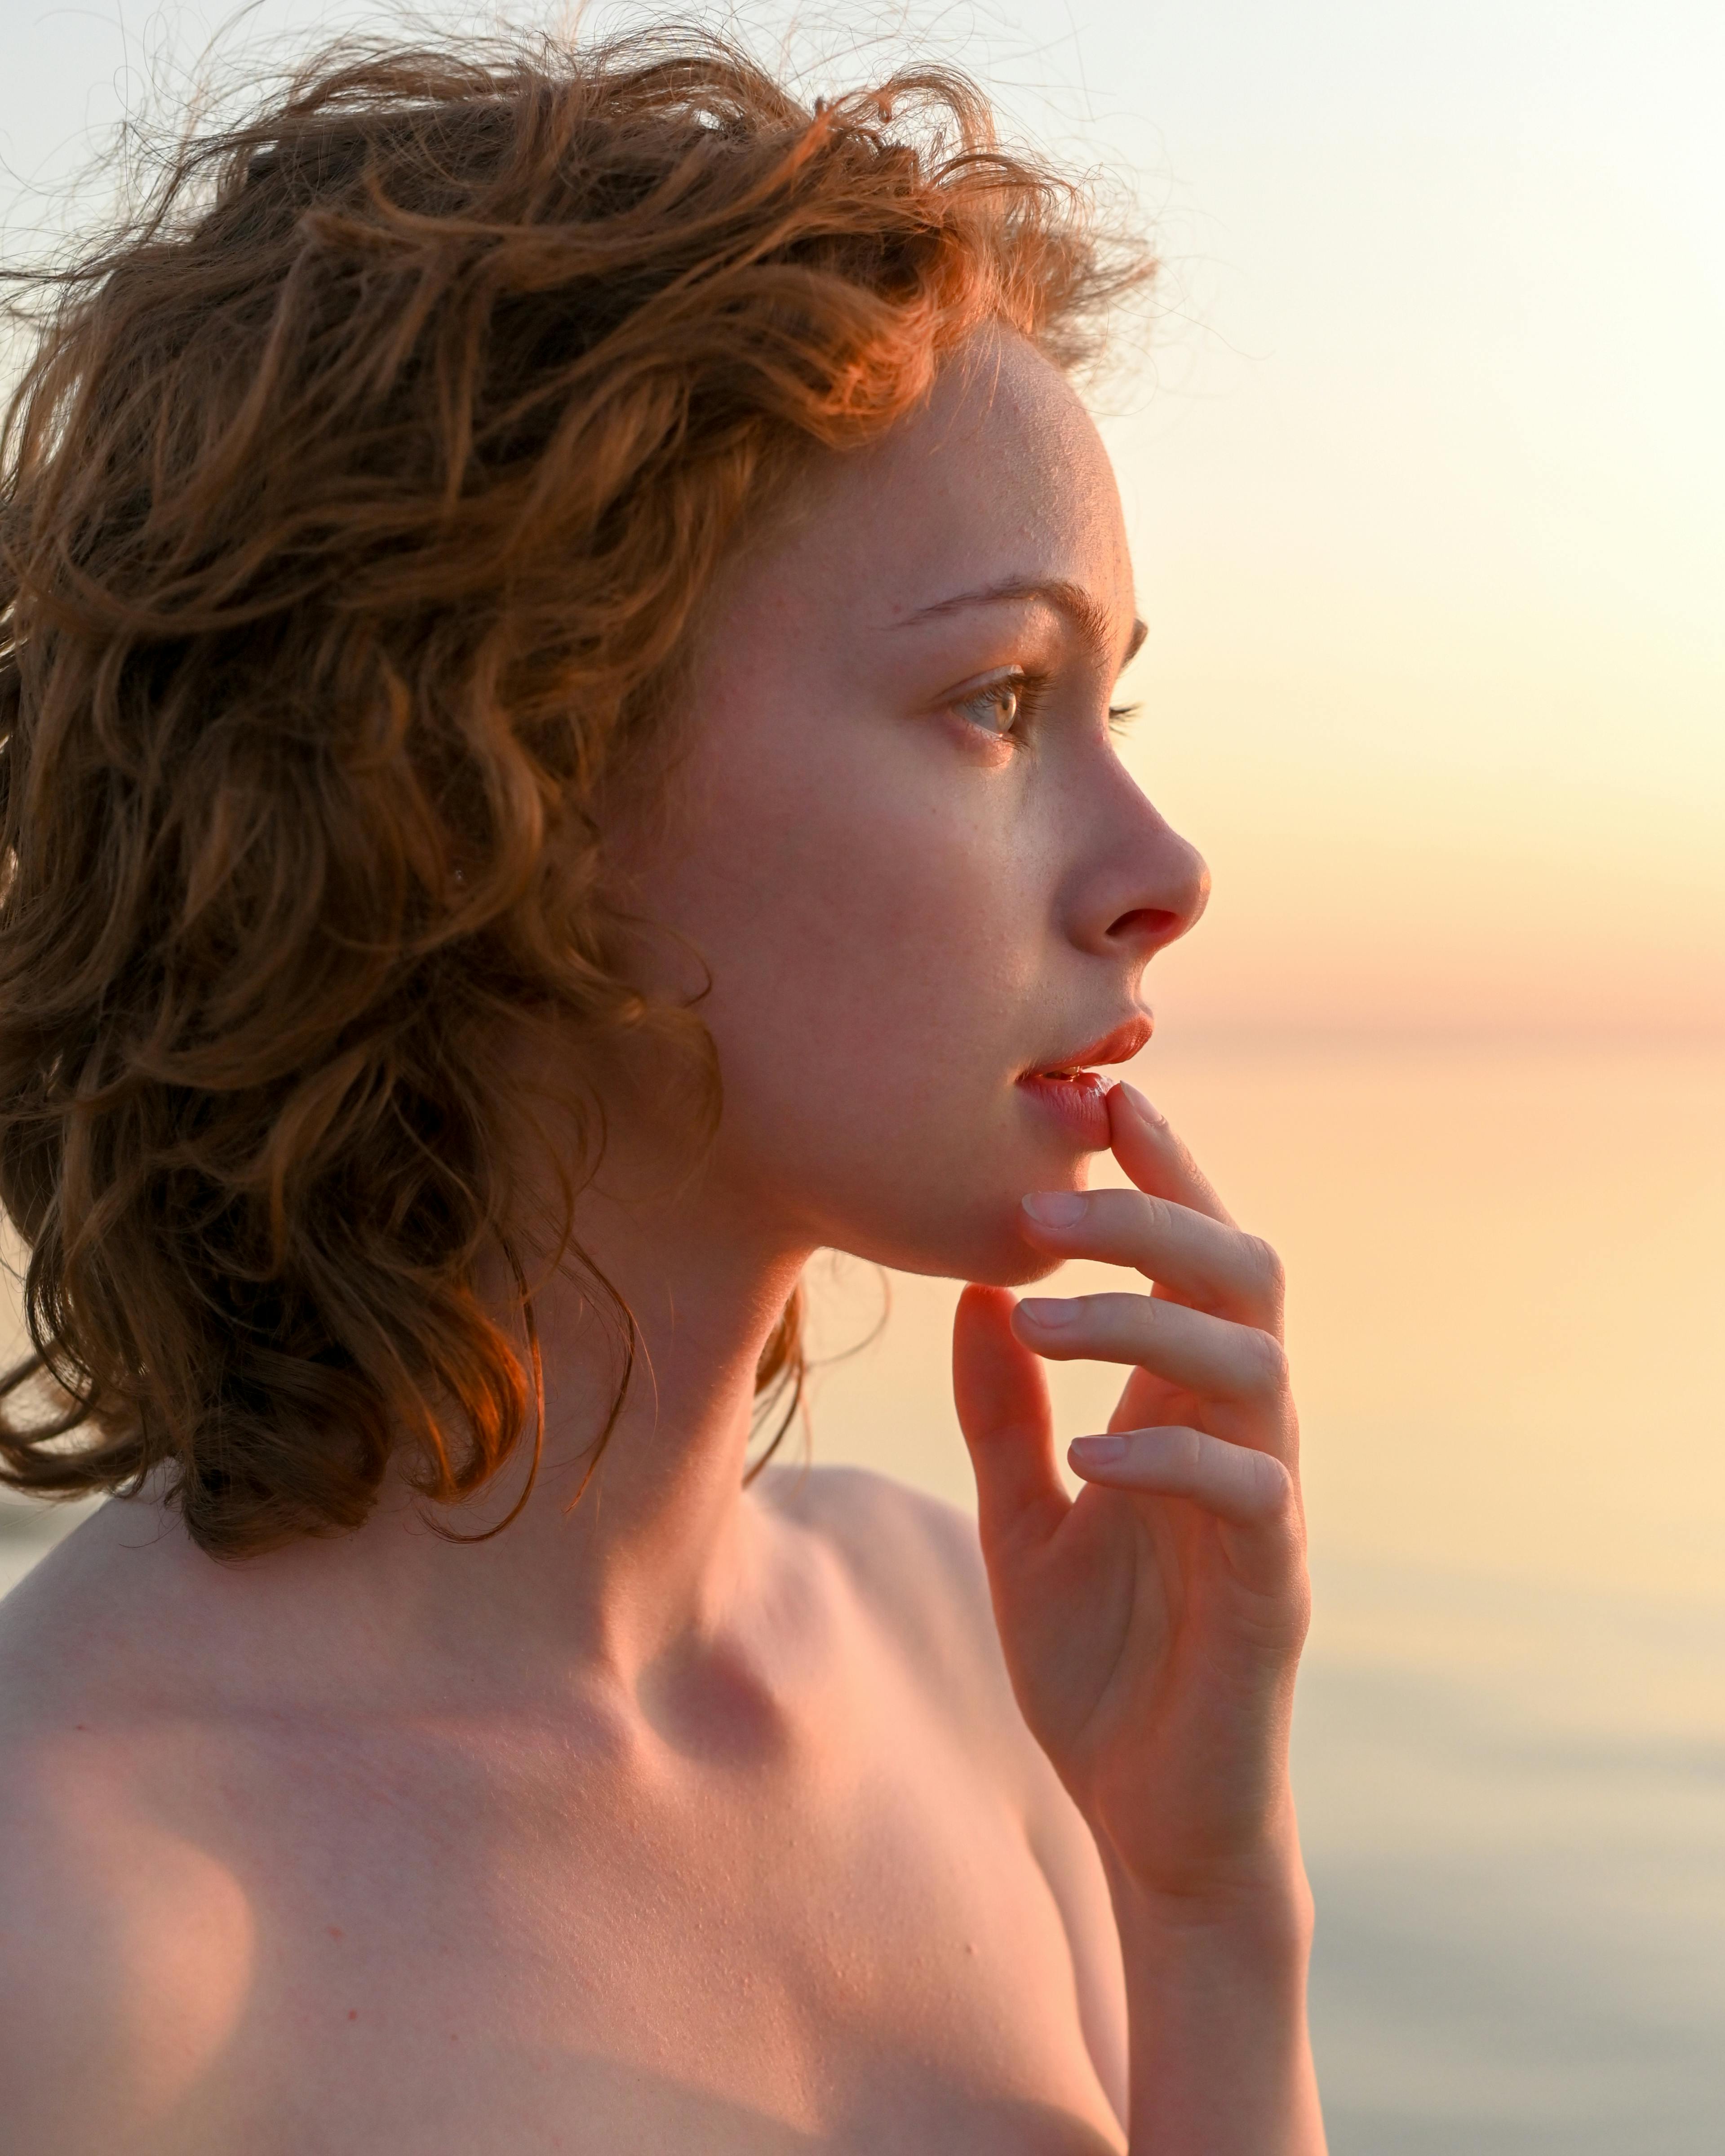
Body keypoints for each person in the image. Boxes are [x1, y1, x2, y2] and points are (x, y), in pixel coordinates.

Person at [0, 29, 1324, 2152]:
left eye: (1112, 702)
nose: (1161, 874)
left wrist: (1209, 1903)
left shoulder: (972, 1651)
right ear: (497, 778)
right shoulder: (71, 1934)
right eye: (1000, 699)